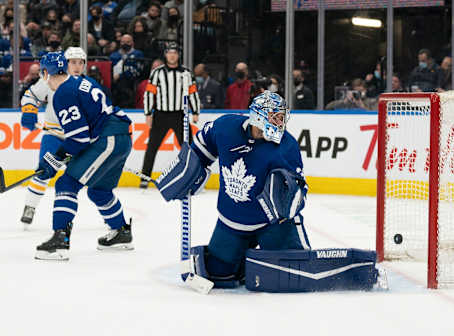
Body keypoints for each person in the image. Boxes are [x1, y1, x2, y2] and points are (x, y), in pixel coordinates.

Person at [154, 91, 384, 292]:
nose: (279, 123)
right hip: (233, 220)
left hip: (273, 222)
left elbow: (297, 191)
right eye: (274, 118)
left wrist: (288, 201)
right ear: (257, 117)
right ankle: (244, 264)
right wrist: (191, 169)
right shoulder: (225, 127)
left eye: (281, 118)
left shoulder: (287, 145)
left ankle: (260, 258)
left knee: (294, 270)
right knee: (220, 274)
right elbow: (202, 146)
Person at [34, 51, 133, 261]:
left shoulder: (63, 93)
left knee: (66, 184)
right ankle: (121, 232)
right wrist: (64, 156)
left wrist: (54, 159)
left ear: (45, 73)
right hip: (119, 137)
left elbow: (78, 138)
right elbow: (85, 133)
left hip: (108, 139)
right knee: (99, 191)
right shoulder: (81, 81)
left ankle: (60, 240)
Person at [19, 47, 87, 229]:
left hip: (76, 140)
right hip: (54, 136)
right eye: (73, 62)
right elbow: (30, 95)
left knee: (84, 178)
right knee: (44, 170)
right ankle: (30, 206)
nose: (77, 66)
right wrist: (29, 110)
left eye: (80, 62)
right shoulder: (49, 79)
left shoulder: (85, 85)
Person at [140, 41, 200, 188]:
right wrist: (148, 113)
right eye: (169, 53)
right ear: (166, 55)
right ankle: (145, 178)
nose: (172, 56)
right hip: (161, 115)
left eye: (174, 53)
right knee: (152, 147)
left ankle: (195, 177)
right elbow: (149, 94)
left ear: (178, 55)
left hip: (180, 115)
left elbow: (193, 92)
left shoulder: (186, 72)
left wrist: (196, 111)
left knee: (189, 148)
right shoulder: (157, 72)